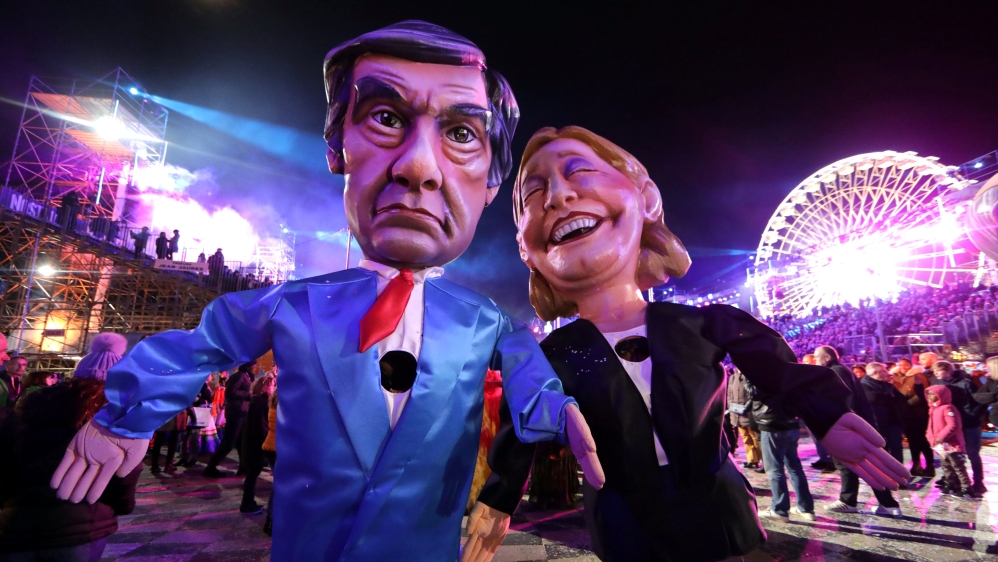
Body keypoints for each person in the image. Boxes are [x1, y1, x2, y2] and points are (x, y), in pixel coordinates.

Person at [51, 21, 604, 562]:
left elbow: (524, 362)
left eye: (461, 134)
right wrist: (124, 414)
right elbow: (203, 341)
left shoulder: (482, 321)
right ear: (338, 148)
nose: (417, 167)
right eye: (385, 118)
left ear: (490, 182)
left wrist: (556, 408)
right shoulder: (296, 305)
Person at [485, 126, 908, 562]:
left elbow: (775, 366)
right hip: (626, 524)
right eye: (534, 192)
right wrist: (498, 499)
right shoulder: (550, 352)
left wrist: (827, 412)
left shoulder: (704, 323)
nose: (558, 196)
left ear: (645, 199)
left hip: (717, 515)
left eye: (581, 171)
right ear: (524, 247)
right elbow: (521, 428)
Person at [0, 333, 140, 561]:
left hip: (17, 523)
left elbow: (5, 462)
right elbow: (125, 475)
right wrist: (122, 506)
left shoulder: (27, 410)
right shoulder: (114, 419)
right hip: (81, 526)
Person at [815, 345, 903, 518]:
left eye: (817, 357)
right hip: (852, 425)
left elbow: (844, 400)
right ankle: (849, 501)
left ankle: (887, 503)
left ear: (826, 358)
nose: (815, 361)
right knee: (849, 464)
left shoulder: (835, 372)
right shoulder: (840, 370)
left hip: (848, 427)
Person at [746, 376, 816, 522]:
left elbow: (754, 393)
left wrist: (748, 378)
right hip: (790, 423)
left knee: (774, 469)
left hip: (772, 424)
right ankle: (806, 509)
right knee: (794, 467)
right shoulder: (785, 371)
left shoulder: (761, 374)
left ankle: (779, 509)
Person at [932, 360, 986, 495]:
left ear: (948, 371)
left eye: (939, 370)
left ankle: (978, 482)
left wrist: (973, 416)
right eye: (935, 371)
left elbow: (980, 402)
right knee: (952, 455)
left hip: (969, 424)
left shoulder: (966, 383)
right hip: (951, 427)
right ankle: (955, 481)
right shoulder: (937, 384)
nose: (935, 373)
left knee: (972, 453)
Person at [203, 361, 254, 478]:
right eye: (254, 365)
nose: (255, 367)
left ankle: (243, 467)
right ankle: (211, 466)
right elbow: (231, 391)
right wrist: (248, 394)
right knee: (229, 441)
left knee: (241, 441)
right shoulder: (240, 376)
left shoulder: (245, 376)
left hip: (241, 412)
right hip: (236, 412)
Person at [925, 385, 978, 497]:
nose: (929, 396)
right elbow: (932, 426)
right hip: (940, 444)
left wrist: (941, 437)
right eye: (928, 394)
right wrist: (930, 437)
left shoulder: (948, 408)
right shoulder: (933, 409)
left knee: (957, 466)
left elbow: (953, 425)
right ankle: (950, 484)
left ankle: (966, 487)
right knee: (946, 465)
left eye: (932, 394)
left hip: (951, 444)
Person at [240, 373, 275, 514]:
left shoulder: (257, 400)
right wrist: (265, 443)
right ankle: (247, 504)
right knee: (252, 474)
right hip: (255, 445)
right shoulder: (259, 402)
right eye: (272, 385)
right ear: (265, 386)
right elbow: (260, 426)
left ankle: (248, 503)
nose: (273, 388)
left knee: (252, 474)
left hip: (253, 443)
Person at [893, 356, 933, 477]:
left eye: (906, 365)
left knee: (922, 441)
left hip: (918, 414)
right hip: (906, 415)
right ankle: (916, 464)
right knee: (912, 441)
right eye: (901, 365)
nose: (903, 367)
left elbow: (923, 394)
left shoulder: (918, 376)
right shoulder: (897, 377)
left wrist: (906, 404)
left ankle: (930, 466)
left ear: (911, 365)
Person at [862, 363, 907, 470]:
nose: (887, 373)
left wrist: (890, 398)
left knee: (897, 449)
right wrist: (891, 397)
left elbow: (901, 399)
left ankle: (899, 474)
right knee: (881, 450)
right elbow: (873, 398)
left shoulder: (888, 385)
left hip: (893, 422)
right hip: (877, 423)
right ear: (876, 373)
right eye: (884, 371)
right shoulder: (864, 385)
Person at [727, 368, 761, 471]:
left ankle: (762, 460)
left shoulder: (749, 376)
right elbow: (729, 394)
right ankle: (752, 459)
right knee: (746, 437)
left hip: (748, 413)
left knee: (754, 437)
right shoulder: (733, 378)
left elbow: (752, 395)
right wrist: (731, 406)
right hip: (737, 413)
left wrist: (746, 407)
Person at [262, 385, 278, 536]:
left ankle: (270, 520)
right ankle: (272, 520)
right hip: (277, 447)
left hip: (270, 446)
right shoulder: (283, 405)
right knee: (279, 487)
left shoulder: (274, 402)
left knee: (277, 485)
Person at [973, 356, 998, 438]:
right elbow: (977, 396)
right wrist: (994, 396)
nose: (986, 368)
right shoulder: (991, 380)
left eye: (989, 366)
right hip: (995, 414)